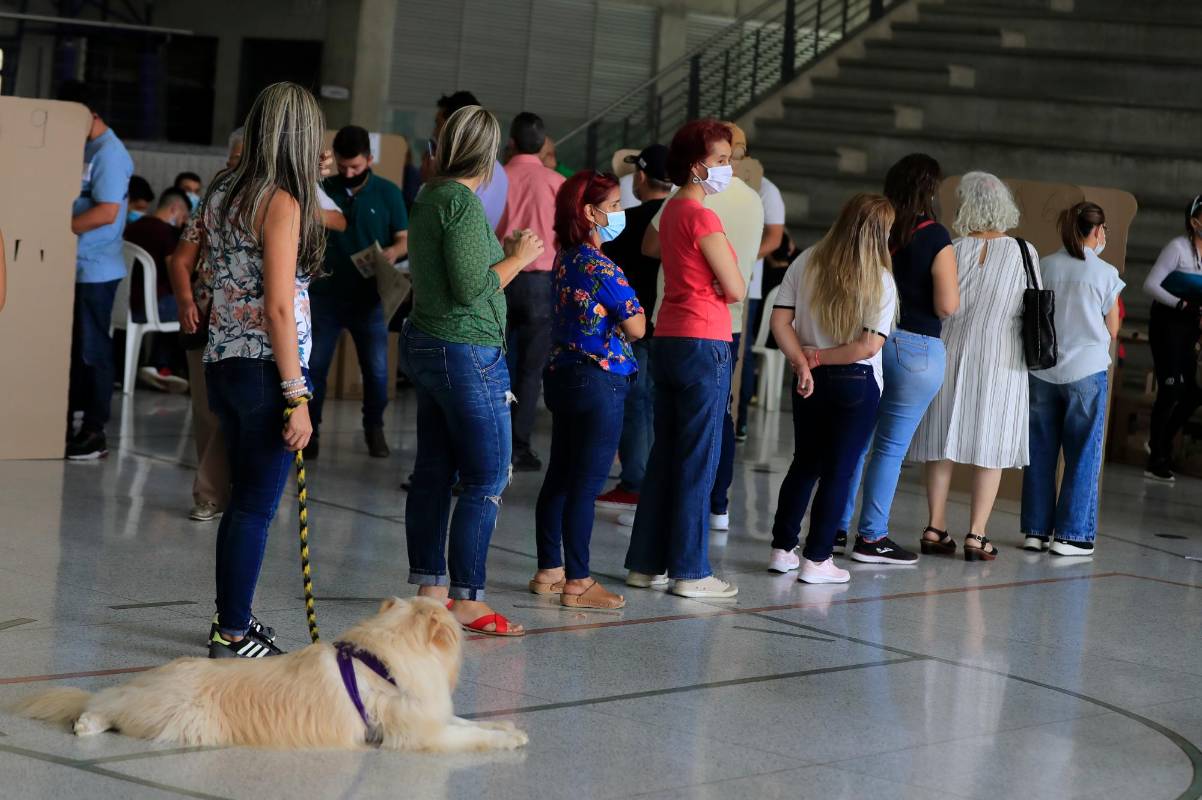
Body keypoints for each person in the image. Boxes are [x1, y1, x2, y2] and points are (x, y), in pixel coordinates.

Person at [401, 104, 544, 637]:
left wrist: (501, 254)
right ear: (488, 155)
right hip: (463, 351)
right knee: (486, 476)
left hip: (432, 345)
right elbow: (472, 290)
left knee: (435, 471)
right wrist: (521, 257)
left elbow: (458, 272)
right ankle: (465, 597)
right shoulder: (460, 203)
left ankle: (431, 588)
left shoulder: (431, 196)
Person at [196, 82, 324, 658]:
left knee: (240, 502)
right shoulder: (280, 202)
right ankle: (233, 632)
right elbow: (276, 305)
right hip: (264, 371)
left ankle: (233, 619)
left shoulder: (223, 190)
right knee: (253, 506)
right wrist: (296, 394)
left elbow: (204, 269)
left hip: (224, 360)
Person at [623, 118, 745, 599]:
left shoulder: (671, 211)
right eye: (720, 161)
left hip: (669, 334)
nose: (727, 168)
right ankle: (691, 571)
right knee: (699, 457)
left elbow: (657, 253)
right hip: (705, 340)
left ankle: (645, 562)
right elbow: (734, 287)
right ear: (698, 167)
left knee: (665, 454)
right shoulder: (703, 217)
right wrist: (720, 279)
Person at [835, 154, 959, 565]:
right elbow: (947, 305)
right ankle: (872, 537)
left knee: (856, 440)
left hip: (870, 339)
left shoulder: (878, 229)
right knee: (889, 449)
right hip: (916, 348)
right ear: (930, 191)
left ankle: (833, 526)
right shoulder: (935, 235)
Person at [529, 170, 646, 608]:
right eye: (614, 206)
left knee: (560, 474)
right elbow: (636, 326)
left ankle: (549, 569)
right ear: (589, 212)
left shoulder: (566, 257)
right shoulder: (601, 265)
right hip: (600, 380)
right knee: (586, 483)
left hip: (564, 375)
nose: (619, 214)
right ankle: (578, 580)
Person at [767, 194, 897, 583]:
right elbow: (868, 345)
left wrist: (803, 362)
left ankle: (782, 548)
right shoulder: (881, 278)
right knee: (839, 470)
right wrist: (819, 358)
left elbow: (779, 322)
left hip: (809, 378)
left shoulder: (807, 260)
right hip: (855, 381)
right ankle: (818, 559)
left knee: (804, 462)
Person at [909, 172, 1038, 561]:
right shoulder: (1023, 251)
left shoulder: (952, 247)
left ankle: (935, 526)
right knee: (992, 444)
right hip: (1001, 357)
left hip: (948, 351)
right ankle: (977, 534)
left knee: (941, 440)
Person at [1021, 202, 1123, 556]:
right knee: (1082, 455)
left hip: (1044, 371)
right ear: (1097, 231)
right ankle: (1071, 536)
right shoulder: (1106, 273)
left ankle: (1035, 532)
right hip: (1086, 372)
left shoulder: (1044, 265)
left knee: (1040, 452)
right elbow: (1112, 328)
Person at [306, 124, 409, 460]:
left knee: (377, 370)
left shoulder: (388, 193)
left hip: (370, 298)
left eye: (356, 166)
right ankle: (312, 432)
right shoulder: (323, 188)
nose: (348, 172)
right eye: (343, 166)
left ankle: (374, 428)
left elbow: (404, 237)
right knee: (315, 366)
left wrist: (393, 253)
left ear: (370, 159)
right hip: (325, 293)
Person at [59, 79, 134, 461]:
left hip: (96, 269)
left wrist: (55, 229)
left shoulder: (109, 153)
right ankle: (65, 421)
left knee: (92, 350)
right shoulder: (84, 146)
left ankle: (94, 429)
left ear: (90, 114)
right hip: (71, 266)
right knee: (70, 349)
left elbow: (106, 212)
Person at [595, 145, 671, 511]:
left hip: (635, 327)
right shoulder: (684, 215)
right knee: (660, 404)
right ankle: (654, 478)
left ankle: (634, 481)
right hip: (673, 325)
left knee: (636, 404)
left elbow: (609, 270)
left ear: (640, 177)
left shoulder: (631, 222)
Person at [496, 111, 566, 471]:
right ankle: (518, 447)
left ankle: (491, 442)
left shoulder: (495, 179)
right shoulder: (557, 182)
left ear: (511, 143)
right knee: (530, 370)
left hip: (499, 277)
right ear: (543, 145)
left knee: (495, 364)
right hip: (541, 283)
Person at [1142, 196, 1202, 482]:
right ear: (1194, 221)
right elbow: (1150, 284)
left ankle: (1159, 442)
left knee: (1193, 393)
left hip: (1191, 328)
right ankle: (1156, 460)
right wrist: (1180, 304)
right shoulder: (1177, 248)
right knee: (1170, 390)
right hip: (1167, 325)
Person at [125, 187, 192, 392]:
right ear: (174, 209)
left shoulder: (132, 228)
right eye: (182, 216)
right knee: (191, 308)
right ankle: (165, 367)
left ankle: (155, 366)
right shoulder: (166, 233)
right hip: (153, 306)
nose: (182, 222)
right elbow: (175, 272)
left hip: (126, 305)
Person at [735, 171, 787, 441]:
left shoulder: (766, 190)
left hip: (747, 286)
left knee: (741, 351)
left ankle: (739, 418)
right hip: (717, 280)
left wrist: (741, 255)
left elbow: (775, 238)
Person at [421, 91, 509, 230]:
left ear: (456, 126)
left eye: (438, 124)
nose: (434, 133)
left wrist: (433, 182)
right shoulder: (498, 170)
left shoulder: (465, 169)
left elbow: (449, 219)